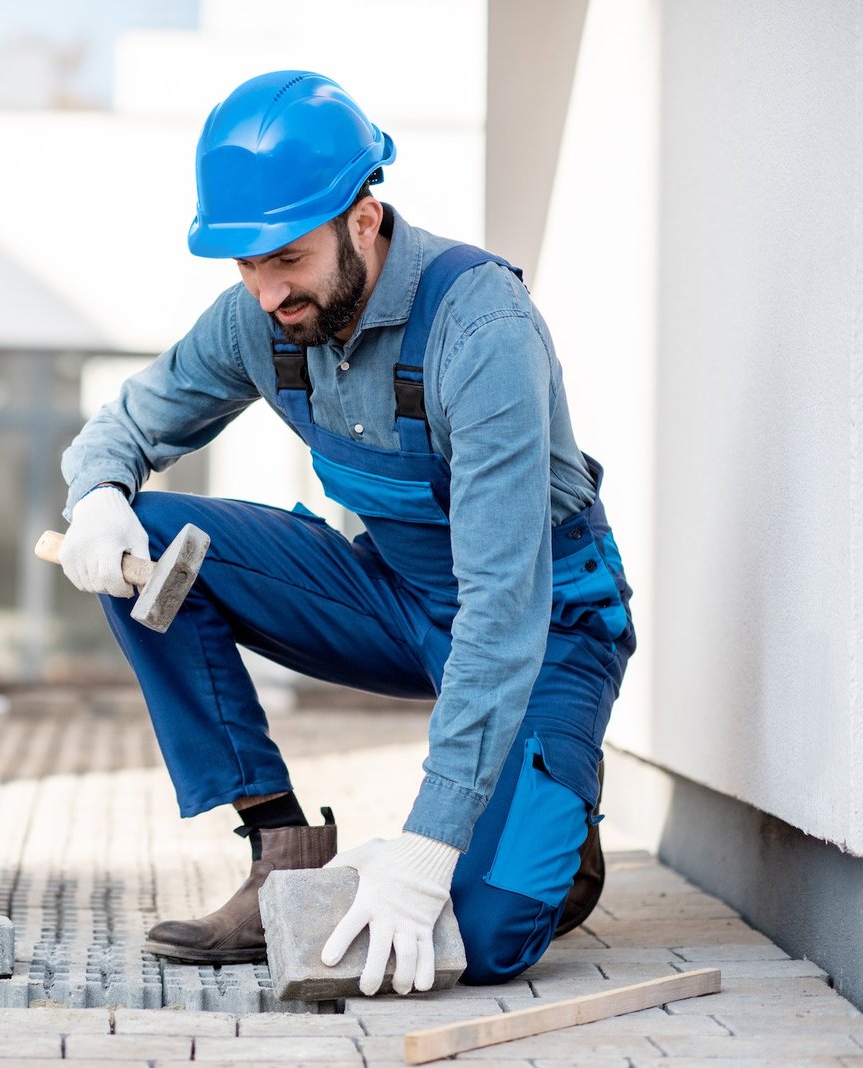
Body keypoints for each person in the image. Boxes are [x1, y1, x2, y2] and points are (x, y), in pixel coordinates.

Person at [56, 71, 635, 996]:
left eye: (285, 258)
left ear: (363, 219)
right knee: (151, 534)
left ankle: (549, 797)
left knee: (478, 938)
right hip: (398, 599)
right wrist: (96, 494)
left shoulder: (482, 332)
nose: (265, 290)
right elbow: (124, 425)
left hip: (544, 625)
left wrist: (428, 840)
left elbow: (503, 607)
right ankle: (280, 848)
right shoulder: (262, 314)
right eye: (242, 265)